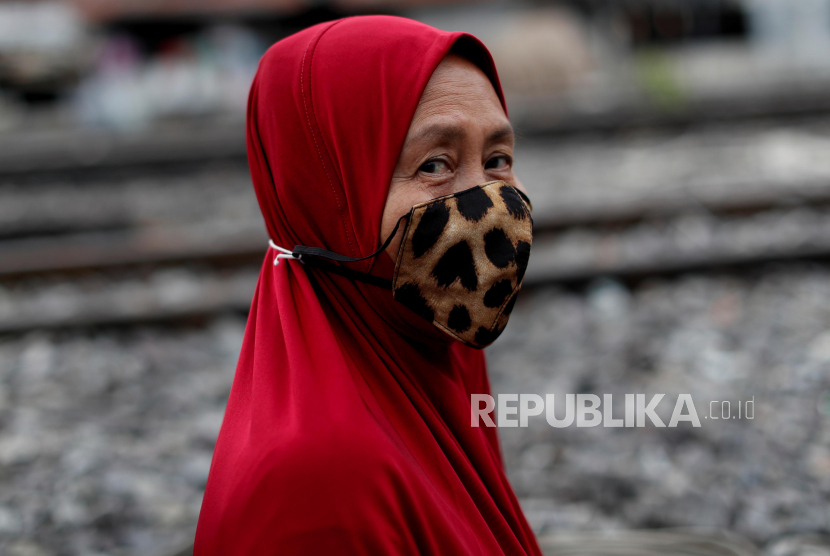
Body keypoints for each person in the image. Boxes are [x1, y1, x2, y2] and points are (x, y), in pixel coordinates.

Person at [194, 15, 540, 555]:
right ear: (328, 197)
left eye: (498, 160)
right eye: (434, 165)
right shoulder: (317, 487)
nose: (488, 206)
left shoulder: (436, 350)